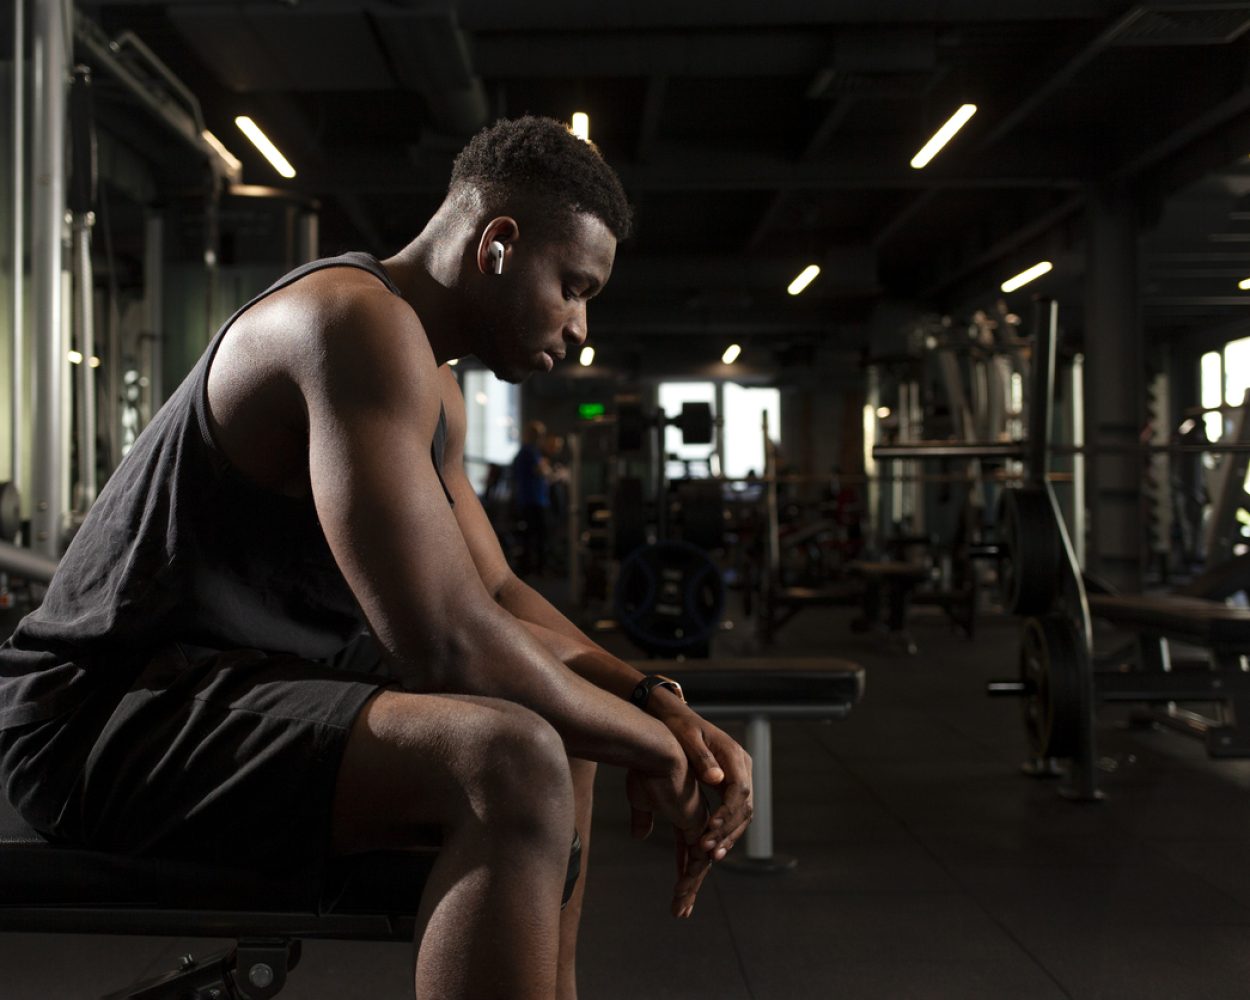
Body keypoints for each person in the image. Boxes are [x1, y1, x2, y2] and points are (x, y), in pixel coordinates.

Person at [0, 116, 753, 999]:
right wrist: (660, 753)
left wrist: (652, 702)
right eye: (574, 287)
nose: (581, 329)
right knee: (510, 759)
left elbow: (498, 593)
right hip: (101, 718)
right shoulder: (348, 322)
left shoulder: (431, 378)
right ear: (500, 246)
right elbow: (449, 645)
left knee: (571, 732)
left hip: (224, 683)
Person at [511, 419, 552, 576]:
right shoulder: (530, 451)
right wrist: (545, 467)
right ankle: (538, 569)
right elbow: (542, 471)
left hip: (529, 499)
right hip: (534, 500)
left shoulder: (525, 451)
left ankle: (530, 568)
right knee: (538, 536)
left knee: (531, 535)